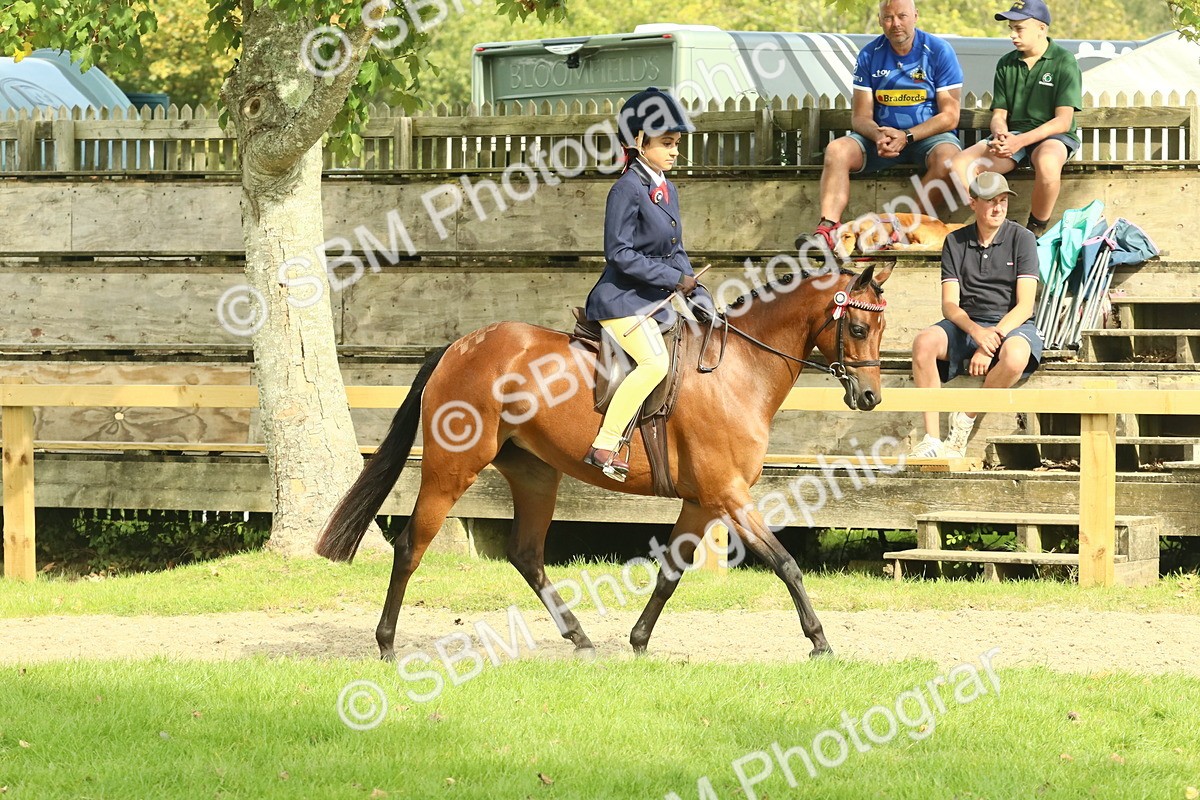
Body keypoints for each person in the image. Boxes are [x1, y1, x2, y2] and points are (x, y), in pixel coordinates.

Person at [582, 87, 711, 481]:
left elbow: (676, 249)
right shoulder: (626, 188)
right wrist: (675, 280)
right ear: (639, 141)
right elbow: (618, 254)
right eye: (667, 143)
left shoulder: (666, 187)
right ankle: (605, 443)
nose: (675, 152)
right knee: (655, 362)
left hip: (652, 301)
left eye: (676, 144)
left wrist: (699, 294)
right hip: (620, 300)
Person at [801, 0, 964, 251]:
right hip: (881, 138)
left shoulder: (939, 50)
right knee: (837, 150)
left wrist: (907, 136)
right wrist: (878, 135)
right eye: (888, 18)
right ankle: (827, 229)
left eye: (902, 16)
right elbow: (860, 117)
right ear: (879, 20)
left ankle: (907, 230)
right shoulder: (869, 54)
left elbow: (950, 116)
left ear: (915, 16)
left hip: (927, 137)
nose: (895, 23)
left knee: (949, 160)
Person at [909, 172, 1043, 458]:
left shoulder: (1023, 238)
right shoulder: (955, 241)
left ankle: (964, 420)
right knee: (923, 342)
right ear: (973, 203)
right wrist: (976, 333)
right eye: (991, 201)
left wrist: (991, 339)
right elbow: (950, 305)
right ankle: (931, 439)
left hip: (1011, 324)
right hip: (968, 325)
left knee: (1017, 356)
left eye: (1003, 201)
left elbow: (1025, 306)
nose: (998, 208)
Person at [950, 0, 1082, 237]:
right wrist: (1001, 133)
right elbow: (999, 115)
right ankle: (991, 221)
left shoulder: (1064, 61)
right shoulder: (1006, 63)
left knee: (1048, 164)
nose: (1012, 35)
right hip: (1014, 138)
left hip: (1053, 136)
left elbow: (1062, 121)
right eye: (1011, 28)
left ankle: (1035, 229)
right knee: (960, 163)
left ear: (1041, 28)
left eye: (1019, 28)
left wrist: (1018, 142)